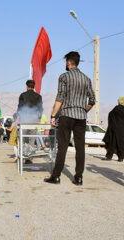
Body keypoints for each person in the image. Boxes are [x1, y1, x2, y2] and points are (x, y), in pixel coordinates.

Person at [44, 51, 95, 185]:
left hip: (66, 115)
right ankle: (78, 177)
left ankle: (56, 176)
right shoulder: (86, 79)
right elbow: (92, 100)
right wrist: (83, 110)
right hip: (81, 118)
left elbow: (60, 97)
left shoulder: (64, 77)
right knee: (80, 148)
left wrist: (53, 115)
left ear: (68, 62)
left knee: (63, 147)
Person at [17, 80, 43, 163]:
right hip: (34, 119)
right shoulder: (38, 96)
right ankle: (29, 159)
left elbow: (20, 107)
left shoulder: (23, 95)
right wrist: (39, 119)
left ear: (27, 86)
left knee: (22, 138)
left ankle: (22, 157)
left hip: (24, 118)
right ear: (34, 86)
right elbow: (40, 109)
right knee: (32, 139)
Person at [101, 97, 124, 162]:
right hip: (122, 130)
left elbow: (110, 115)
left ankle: (109, 156)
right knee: (121, 143)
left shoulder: (115, 109)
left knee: (112, 142)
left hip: (114, 129)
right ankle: (121, 157)